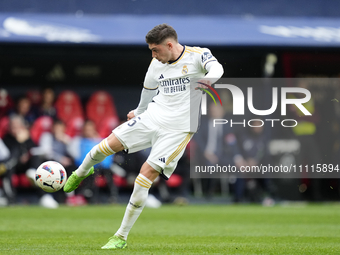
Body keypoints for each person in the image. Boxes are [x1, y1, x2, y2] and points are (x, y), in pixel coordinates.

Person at [63, 23, 224, 249]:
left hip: (178, 129)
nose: (153, 54)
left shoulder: (198, 55)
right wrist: (138, 112)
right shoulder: (156, 63)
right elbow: (148, 89)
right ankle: (81, 172)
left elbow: (218, 69)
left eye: (155, 50)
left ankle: (120, 237)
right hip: (153, 116)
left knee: (144, 176)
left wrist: (205, 83)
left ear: (170, 45)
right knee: (106, 145)